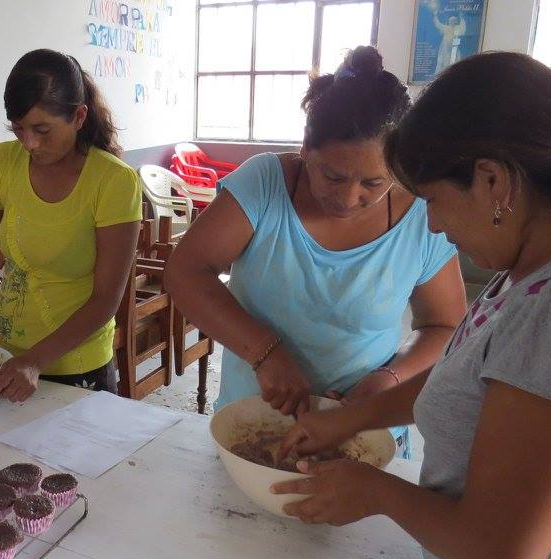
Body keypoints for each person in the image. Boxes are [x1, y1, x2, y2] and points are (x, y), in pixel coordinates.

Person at [274, 52, 551, 559]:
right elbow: (475, 379)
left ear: (492, 182)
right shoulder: (536, 269)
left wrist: (376, 491)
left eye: (432, 199)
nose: (432, 225)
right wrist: (349, 420)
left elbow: (500, 551)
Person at [165, 46, 466, 457]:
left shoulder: (421, 217)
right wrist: (265, 352)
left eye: (374, 185)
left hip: (363, 430)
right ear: (306, 146)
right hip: (256, 419)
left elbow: (445, 325)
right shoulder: (265, 186)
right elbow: (185, 273)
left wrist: (391, 378)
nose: (348, 198)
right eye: (332, 176)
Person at [0, 49, 142, 402]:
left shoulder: (113, 181)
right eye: (18, 129)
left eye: (42, 130)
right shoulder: (1, 162)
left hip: (77, 366)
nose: (29, 143)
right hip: (5, 358)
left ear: (79, 117)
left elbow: (105, 300)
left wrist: (35, 362)